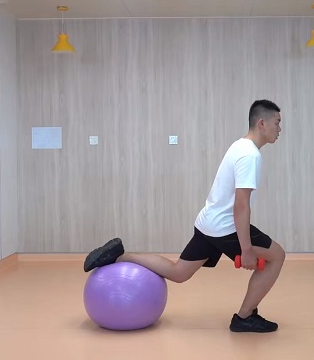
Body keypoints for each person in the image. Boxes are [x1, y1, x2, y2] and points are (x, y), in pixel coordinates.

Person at [83, 99, 286, 333]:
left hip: (208, 222)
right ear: (262, 123)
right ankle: (245, 317)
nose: (279, 129)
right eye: (277, 122)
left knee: (179, 272)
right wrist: (246, 249)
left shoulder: (239, 146)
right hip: (225, 227)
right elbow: (241, 205)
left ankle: (120, 256)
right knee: (276, 256)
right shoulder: (250, 155)